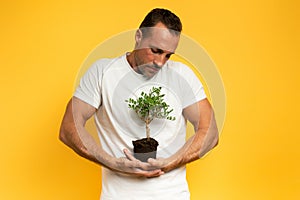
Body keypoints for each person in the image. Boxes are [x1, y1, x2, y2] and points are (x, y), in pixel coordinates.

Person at [59, 8, 219, 200]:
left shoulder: (182, 76)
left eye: (168, 55)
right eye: (156, 51)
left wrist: (170, 162)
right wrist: (113, 163)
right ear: (138, 36)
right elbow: (69, 127)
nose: (160, 62)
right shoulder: (103, 72)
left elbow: (210, 132)